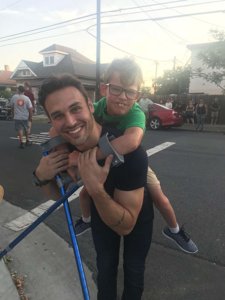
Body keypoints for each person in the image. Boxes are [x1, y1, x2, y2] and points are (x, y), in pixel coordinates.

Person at [35, 74, 154, 300]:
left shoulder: (132, 153)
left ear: (91, 106)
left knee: (134, 271)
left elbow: (126, 226)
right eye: (58, 115)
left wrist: (96, 189)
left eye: (75, 108)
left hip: (136, 215)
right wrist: (42, 177)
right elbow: (54, 196)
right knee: (105, 269)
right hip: (101, 213)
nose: (70, 122)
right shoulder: (63, 148)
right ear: (51, 120)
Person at [72, 58, 197, 254]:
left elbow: (131, 142)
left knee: (159, 197)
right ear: (105, 89)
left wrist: (91, 156)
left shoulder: (136, 114)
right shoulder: (98, 107)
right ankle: (87, 220)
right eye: (116, 89)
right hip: (108, 161)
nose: (123, 97)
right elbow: (78, 123)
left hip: (131, 163)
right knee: (85, 193)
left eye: (130, 92)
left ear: (137, 95)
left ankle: (175, 229)